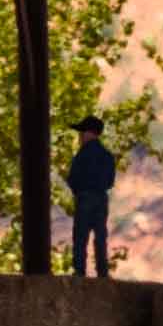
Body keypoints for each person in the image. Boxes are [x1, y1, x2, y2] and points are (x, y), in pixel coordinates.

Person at [65, 115, 116, 278]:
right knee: (100, 236)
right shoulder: (107, 156)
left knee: (80, 236)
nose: (80, 136)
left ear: (89, 133)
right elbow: (110, 181)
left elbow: (72, 178)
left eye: (82, 132)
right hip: (101, 198)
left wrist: (79, 190)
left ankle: (80, 271)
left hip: (85, 198)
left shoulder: (82, 155)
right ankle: (103, 271)